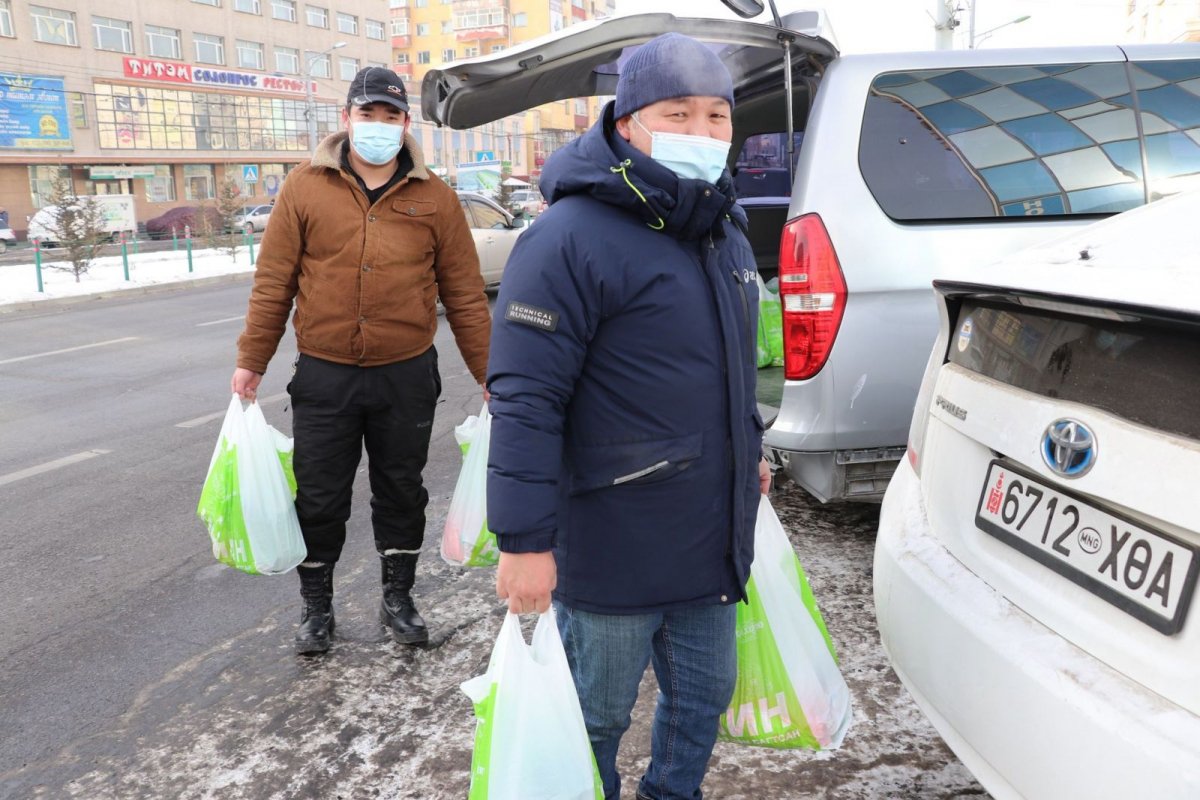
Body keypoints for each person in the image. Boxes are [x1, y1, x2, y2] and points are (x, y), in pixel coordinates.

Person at [486, 34, 770, 800]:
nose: (703, 133)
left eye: (718, 116)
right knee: (596, 718)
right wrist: (523, 541)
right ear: (629, 121)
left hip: (710, 542)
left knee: (702, 703)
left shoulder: (724, 229)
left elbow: (732, 366)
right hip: (613, 544)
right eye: (679, 113)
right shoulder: (566, 238)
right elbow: (525, 397)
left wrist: (754, 449)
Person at [231, 67, 491, 655]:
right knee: (319, 495)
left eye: (390, 115)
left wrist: (488, 374)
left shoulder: (436, 198)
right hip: (326, 374)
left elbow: (466, 295)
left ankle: (398, 597)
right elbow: (274, 283)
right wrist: (253, 361)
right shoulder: (304, 187)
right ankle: (316, 607)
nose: (378, 126)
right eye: (366, 114)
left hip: (406, 373)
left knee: (402, 491)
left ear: (405, 124)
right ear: (346, 119)